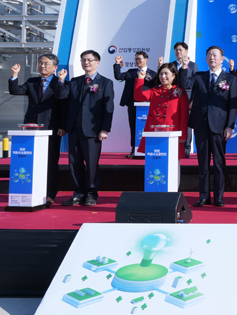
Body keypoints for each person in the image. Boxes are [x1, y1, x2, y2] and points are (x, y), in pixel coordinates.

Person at [178, 45, 237, 207]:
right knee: (202, 162)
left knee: (219, 163)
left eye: (215, 55)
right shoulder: (199, 76)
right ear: (206, 59)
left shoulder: (230, 79)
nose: (212, 57)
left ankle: (219, 196)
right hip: (200, 124)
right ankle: (203, 196)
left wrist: (229, 126)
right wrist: (184, 67)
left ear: (221, 59)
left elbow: (233, 104)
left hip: (219, 126)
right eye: (209, 55)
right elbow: (184, 83)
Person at [8, 54, 68, 205]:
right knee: (31, 160)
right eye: (40, 63)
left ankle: (50, 194)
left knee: (50, 162)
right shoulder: (32, 81)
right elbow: (15, 91)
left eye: (46, 64)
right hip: (31, 127)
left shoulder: (60, 83)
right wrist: (14, 75)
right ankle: (31, 191)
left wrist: (62, 126)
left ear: (55, 67)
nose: (42, 66)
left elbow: (63, 106)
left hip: (51, 128)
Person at [59, 50, 114, 206]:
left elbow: (108, 108)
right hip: (74, 129)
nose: (86, 63)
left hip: (93, 131)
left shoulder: (105, 83)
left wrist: (105, 129)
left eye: (90, 60)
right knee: (74, 162)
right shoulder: (74, 82)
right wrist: (62, 82)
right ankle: (78, 193)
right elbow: (63, 101)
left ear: (97, 62)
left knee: (91, 163)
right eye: (83, 60)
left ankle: (91, 194)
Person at [133, 61, 189, 154]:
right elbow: (138, 97)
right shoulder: (154, 91)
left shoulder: (180, 92)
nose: (163, 76)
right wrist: (140, 80)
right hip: (154, 130)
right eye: (161, 74)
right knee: (154, 158)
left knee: (172, 159)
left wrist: (182, 135)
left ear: (174, 75)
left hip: (172, 131)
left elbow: (184, 115)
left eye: (166, 73)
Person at [112, 51, 156, 158]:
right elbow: (118, 76)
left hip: (147, 104)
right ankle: (134, 149)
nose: (137, 61)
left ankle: (147, 149)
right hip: (132, 103)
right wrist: (117, 64)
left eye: (140, 59)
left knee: (147, 127)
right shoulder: (131, 72)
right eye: (136, 59)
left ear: (146, 59)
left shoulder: (154, 74)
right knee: (133, 126)